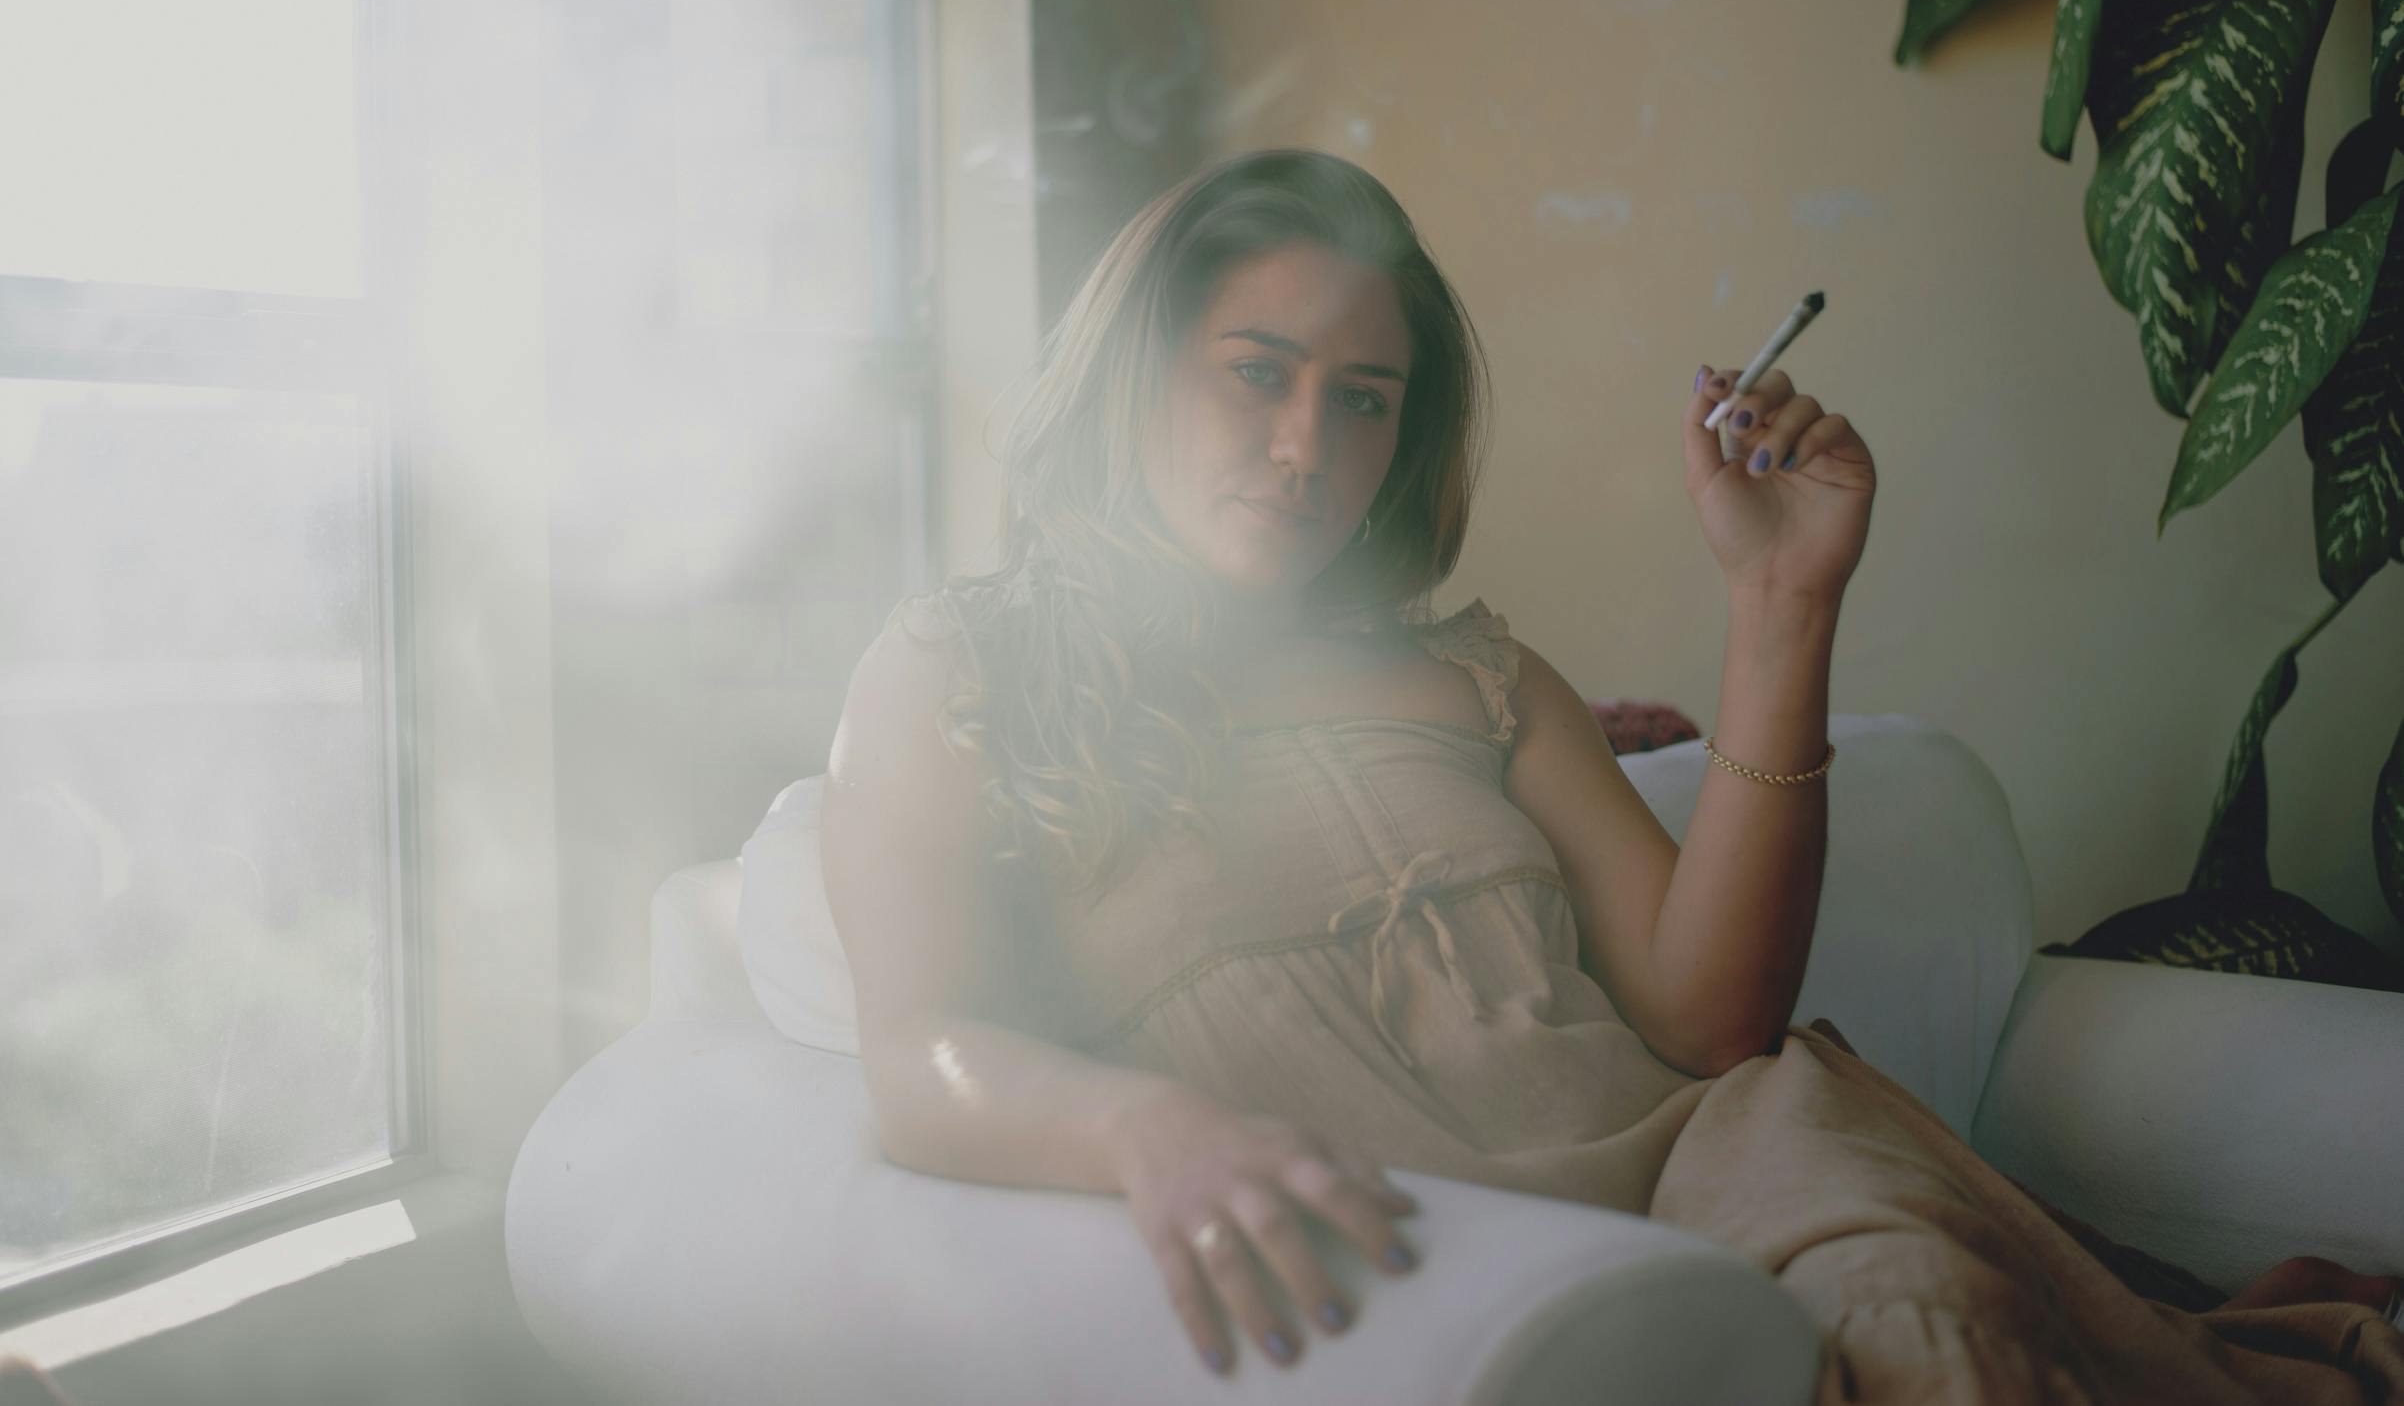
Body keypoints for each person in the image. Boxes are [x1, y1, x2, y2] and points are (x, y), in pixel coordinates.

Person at [819, 147, 2403, 1400]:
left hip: (1743, 1165)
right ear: (1132, 365)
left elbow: (1710, 1021)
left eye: (1361, 401)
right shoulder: (965, 669)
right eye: (1255, 370)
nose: (1307, 444)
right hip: (1485, 1268)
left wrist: (1785, 602)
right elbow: (919, 1048)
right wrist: (1145, 1134)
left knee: (1937, 1336)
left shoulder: (1477, 675)